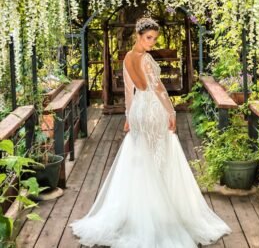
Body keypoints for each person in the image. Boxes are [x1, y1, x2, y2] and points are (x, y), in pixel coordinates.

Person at [70, 17, 231, 248]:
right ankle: (158, 216)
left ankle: (142, 213)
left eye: (155, 39)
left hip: (138, 109)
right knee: (158, 160)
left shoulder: (127, 58)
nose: (152, 43)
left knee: (141, 159)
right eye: (149, 38)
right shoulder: (145, 59)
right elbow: (158, 88)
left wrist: (128, 116)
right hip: (153, 109)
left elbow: (129, 91)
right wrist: (171, 111)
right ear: (138, 35)